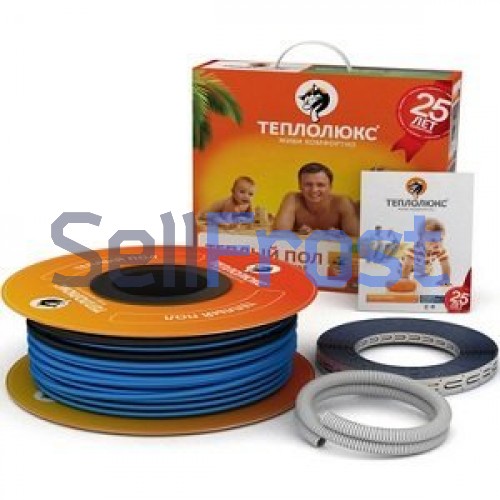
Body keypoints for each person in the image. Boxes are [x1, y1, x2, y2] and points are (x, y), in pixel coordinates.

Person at [274, 162, 359, 236]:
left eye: (320, 185)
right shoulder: (293, 199)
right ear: (300, 185)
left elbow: (356, 237)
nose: (314, 190)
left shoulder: (342, 203)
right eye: (308, 185)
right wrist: (299, 235)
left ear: (330, 186)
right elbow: (279, 234)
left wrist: (338, 236)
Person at [401, 218, 451, 284]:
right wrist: (405, 278)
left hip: (425, 265)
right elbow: (407, 264)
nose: (437, 243)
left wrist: (446, 280)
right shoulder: (415, 249)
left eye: (440, 239)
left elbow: (445, 265)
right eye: (433, 240)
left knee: (426, 274)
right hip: (407, 265)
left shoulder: (440, 250)